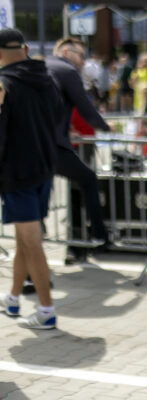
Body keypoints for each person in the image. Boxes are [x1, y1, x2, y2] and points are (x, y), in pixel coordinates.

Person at [0, 28, 60, 329]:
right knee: (25, 240)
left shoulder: (4, 84)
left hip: (17, 174)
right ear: (25, 49)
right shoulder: (46, 78)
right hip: (43, 170)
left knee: (31, 242)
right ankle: (12, 298)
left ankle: (46, 310)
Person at [46, 37, 111, 262]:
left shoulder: (41, 66)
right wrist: (106, 127)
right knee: (88, 179)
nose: (84, 62)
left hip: (31, 145)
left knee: (35, 206)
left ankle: (35, 265)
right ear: (66, 52)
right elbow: (85, 108)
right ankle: (99, 236)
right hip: (52, 145)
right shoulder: (66, 70)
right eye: (81, 56)